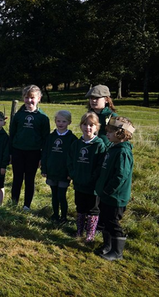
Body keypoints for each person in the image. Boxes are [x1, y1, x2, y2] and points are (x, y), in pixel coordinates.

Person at [96, 116, 135, 261]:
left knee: (113, 223)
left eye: (110, 132)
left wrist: (108, 190)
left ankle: (117, 252)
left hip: (115, 197)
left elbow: (120, 175)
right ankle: (107, 246)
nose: (107, 134)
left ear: (120, 133)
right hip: (106, 195)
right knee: (105, 220)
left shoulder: (123, 152)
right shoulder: (113, 148)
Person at [9, 85, 50, 211]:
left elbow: (46, 139)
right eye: (27, 98)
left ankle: (27, 205)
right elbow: (12, 134)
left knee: (29, 179)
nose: (29, 100)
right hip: (18, 151)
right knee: (17, 178)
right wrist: (10, 152)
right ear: (23, 98)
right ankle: (13, 203)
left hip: (34, 153)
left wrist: (42, 157)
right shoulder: (18, 116)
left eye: (32, 98)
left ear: (39, 98)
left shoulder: (43, 117)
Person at [67, 112, 106, 242]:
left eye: (91, 125)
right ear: (81, 126)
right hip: (79, 183)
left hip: (93, 186)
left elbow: (100, 166)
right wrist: (73, 174)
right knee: (80, 206)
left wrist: (92, 179)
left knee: (92, 209)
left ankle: (90, 234)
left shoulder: (99, 145)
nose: (87, 128)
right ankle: (79, 231)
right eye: (85, 124)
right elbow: (70, 161)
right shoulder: (76, 144)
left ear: (96, 127)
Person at [41, 110, 76, 224]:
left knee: (62, 195)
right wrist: (44, 169)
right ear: (55, 121)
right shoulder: (51, 137)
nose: (61, 123)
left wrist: (70, 173)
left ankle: (64, 217)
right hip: (52, 171)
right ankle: (55, 215)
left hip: (64, 173)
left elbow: (73, 158)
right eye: (58, 121)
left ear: (69, 122)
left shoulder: (72, 139)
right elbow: (45, 153)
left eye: (64, 121)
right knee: (54, 195)